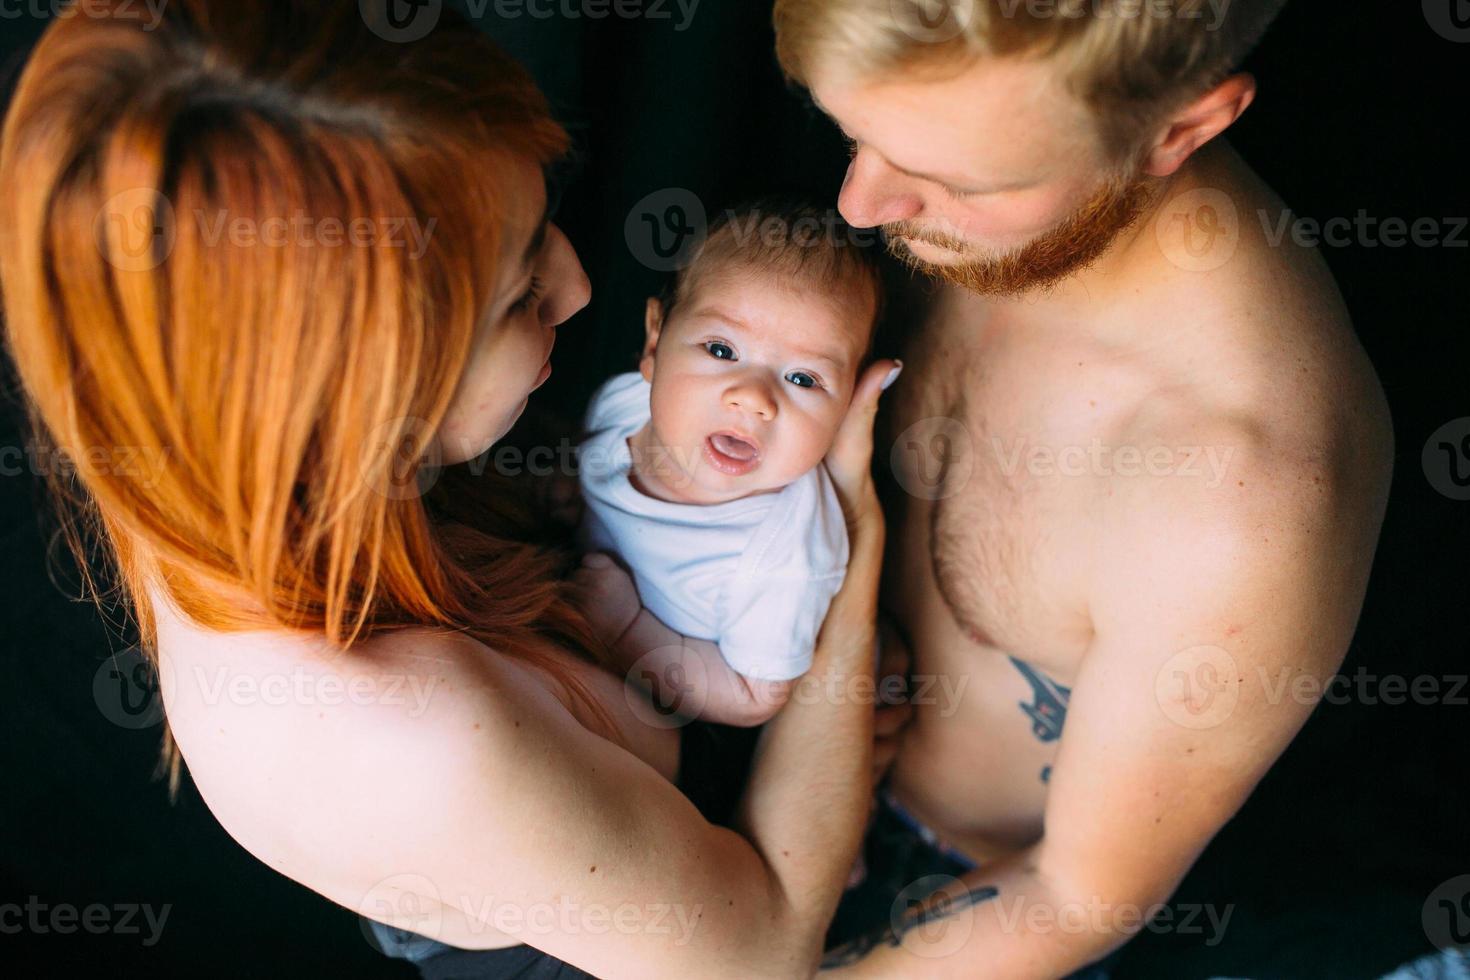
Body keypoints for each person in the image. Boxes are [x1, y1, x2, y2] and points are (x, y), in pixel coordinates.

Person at [0, 2, 900, 977]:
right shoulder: (406, 735)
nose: (578, 286)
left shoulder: (210, 430)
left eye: (544, 217)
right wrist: (843, 531)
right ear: (352, 393)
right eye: (520, 292)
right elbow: (763, 952)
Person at [770, 0, 1395, 976]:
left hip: (972, 891)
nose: (860, 201)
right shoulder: (958, 190)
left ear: (1179, 130)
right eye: (851, 132)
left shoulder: (1236, 487)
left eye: (957, 179)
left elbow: (1073, 894)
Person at [574, 200, 890, 727]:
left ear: (847, 409)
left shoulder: (784, 550)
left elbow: (754, 697)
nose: (754, 398)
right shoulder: (623, 404)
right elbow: (590, 468)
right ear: (655, 341)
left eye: (804, 379)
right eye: (721, 350)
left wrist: (625, 629)